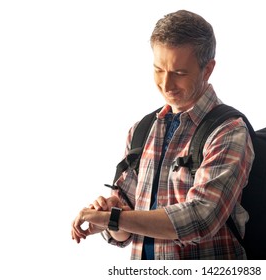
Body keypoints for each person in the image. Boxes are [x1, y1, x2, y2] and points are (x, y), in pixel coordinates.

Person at [71, 9, 254, 260]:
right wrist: (108, 219)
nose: (166, 84)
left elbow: (202, 218)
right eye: (159, 69)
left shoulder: (228, 131)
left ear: (208, 69)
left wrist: (116, 217)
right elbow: (125, 230)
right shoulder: (141, 130)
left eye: (179, 73)